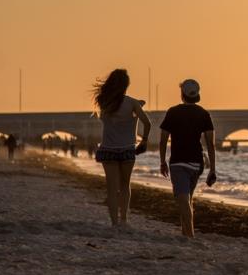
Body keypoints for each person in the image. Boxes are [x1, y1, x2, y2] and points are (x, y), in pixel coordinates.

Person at [92, 69, 151, 228]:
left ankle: (114, 223)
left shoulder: (104, 101)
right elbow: (148, 123)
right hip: (127, 149)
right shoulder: (132, 103)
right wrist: (144, 141)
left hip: (108, 149)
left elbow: (106, 116)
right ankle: (124, 220)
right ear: (126, 85)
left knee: (111, 188)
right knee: (125, 185)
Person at [159, 79, 216, 238]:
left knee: (183, 200)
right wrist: (212, 169)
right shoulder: (204, 114)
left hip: (178, 162)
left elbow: (163, 140)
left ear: (182, 94)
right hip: (197, 163)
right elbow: (210, 144)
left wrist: (162, 161)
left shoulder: (173, 112)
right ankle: (186, 234)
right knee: (187, 199)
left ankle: (190, 236)